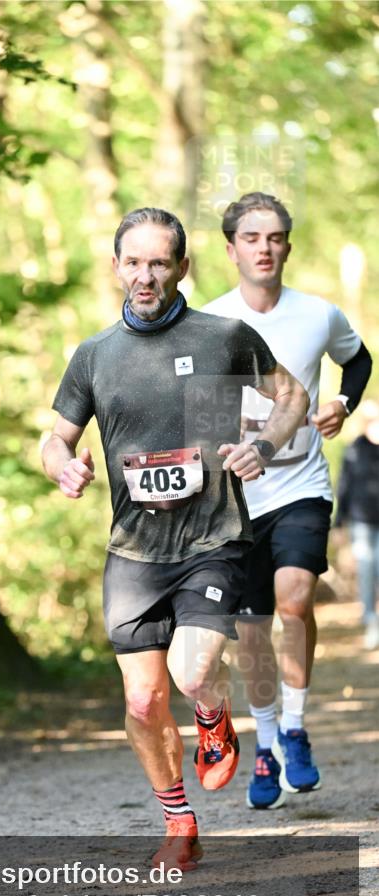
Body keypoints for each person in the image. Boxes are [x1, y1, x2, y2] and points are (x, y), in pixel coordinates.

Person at [42, 207, 308, 869]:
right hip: (132, 551)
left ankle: (214, 715)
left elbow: (291, 396)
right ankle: (178, 824)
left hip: (213, 538)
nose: (145, 275)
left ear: (182, 268)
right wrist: (61, 464)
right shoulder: (95, 355)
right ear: (115, 268)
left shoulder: (223, 338)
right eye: (132, 262)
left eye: (159, 262)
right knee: (140, 698)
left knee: (191, 673)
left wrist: (263, 444)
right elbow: (54, 437)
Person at [202, 192, 372, 810]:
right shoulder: (208, 320)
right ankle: (268, 743)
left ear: (287, 247)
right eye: (251, 238)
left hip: (301, 481)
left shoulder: (319, 314)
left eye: (274, 238)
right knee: (250, 628)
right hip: (237, 497)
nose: (264, 248)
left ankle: (296, 727)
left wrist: (342, 404)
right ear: (231, 248)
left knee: (295, 599)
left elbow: (359, 362)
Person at [335, 399, 379, 651]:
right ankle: (371, 620)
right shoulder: (355, 449)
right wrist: (338, 524)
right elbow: (345, 487)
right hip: (361, 522)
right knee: (366, 570)